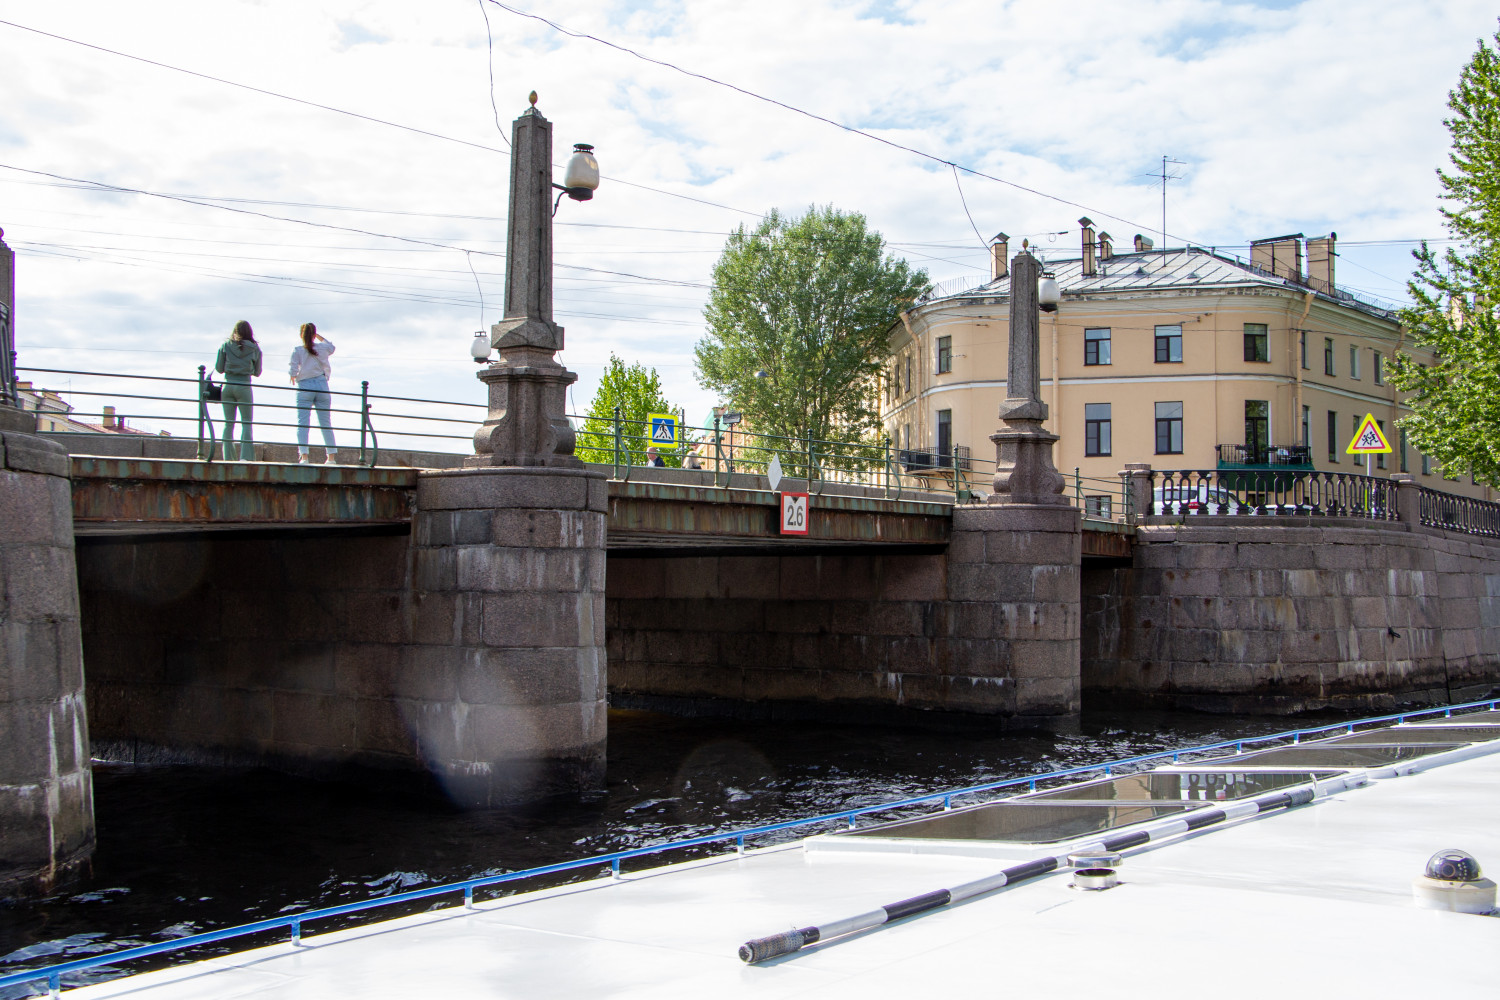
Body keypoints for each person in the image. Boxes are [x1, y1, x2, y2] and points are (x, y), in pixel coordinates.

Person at [288, 322, 338, 464]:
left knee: (303, 423)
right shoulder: (322, 348)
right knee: (325, 423)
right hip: (322, 385)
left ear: (301, 335)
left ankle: (304, 457)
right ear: (314, 335)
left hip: (305, 386)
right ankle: (331, 457)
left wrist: (293, 375)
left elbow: (293, 369)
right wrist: (318, 337)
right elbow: (332, 346)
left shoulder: (298, 350)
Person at [215, 320, 262, 461]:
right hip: (244, 386)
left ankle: (228, 458)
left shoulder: (225, 346)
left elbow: (219, 368)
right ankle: (246, 457)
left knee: (228, 423)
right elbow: (258, 372)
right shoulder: (255, 348)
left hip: (228, 386)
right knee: (246, 423)